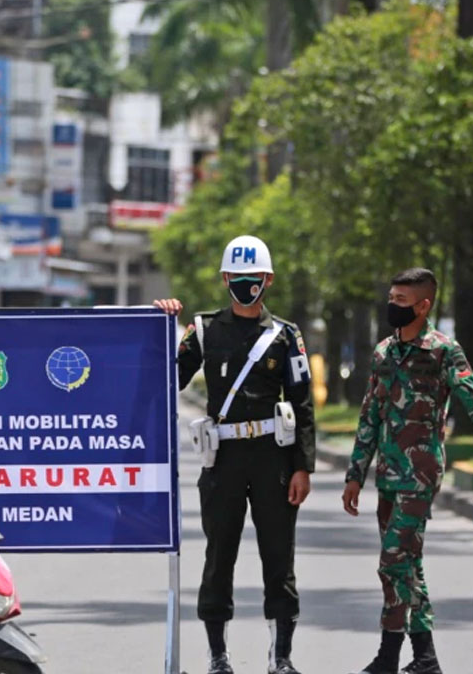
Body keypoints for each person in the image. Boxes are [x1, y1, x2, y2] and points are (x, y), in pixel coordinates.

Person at [342, 268, 473, 674]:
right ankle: (426, 659)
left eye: (401, 300)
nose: (392, 305)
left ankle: (388, 657)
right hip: (388, 473)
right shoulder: (384, 352)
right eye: (391, 297)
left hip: (420, 474)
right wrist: (355, 474)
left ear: (424, 305)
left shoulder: (442, 350)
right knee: (409, 565)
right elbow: (371, 415)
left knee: (392, 562)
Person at [154, 235, 315, 674]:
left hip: (273, 458)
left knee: (279, 557)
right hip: (222, 458)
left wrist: (303, 466)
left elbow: (302, 401)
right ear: (225, 278)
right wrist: (160, 326)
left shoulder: (286, 335)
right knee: (218, 555)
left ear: (269, 280)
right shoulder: (205, 330)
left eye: (256, 278)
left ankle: (281, 658)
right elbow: (168, 380)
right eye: (239, 278)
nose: (247, 285)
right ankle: (218, 657)